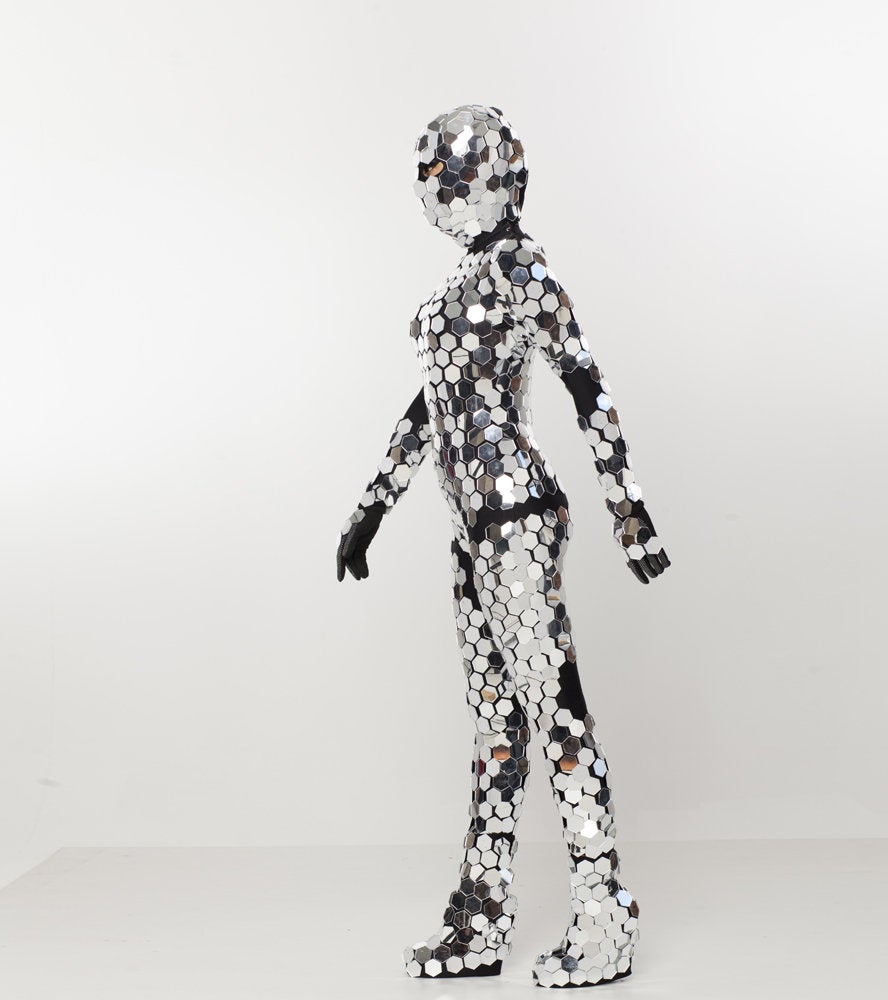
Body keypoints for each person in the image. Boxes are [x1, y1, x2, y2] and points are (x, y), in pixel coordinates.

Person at [337, 104, 669, 989]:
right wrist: (373, 506)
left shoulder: (521, 267)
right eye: (431, 176)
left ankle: (604, 916)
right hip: (472, 529)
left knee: (554, 714)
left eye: (458, 172)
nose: (441, 192)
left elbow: (585, 381)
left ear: (506, 176)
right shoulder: (464, 281)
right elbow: (435, 401)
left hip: (516, 518)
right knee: (497, 725)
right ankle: (481, 919)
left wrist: (629, 511)